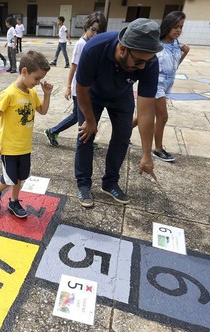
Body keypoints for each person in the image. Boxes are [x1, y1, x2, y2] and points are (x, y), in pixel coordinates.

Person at [74, 18, 162, 208]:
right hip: (92, 96)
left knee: (123, 136)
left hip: (122, 96)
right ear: (122, 49)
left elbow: (146, 111)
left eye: (146, 62)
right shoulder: (94, 48)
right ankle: (83, 184)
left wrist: (147, 153)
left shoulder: (149, 62)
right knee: (85, 135)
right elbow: (81, 89)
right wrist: (90, 121)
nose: (142, 68)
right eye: (138, 62)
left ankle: (110, 182)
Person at [0, 51, 53, 218]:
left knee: (20, 178)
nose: (38, 83)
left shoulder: (31, 93)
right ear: (24, 72)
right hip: (9, 147)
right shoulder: (9, 94)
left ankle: (13, 201)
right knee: (10, 178)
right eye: (36, 78)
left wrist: (47, 95)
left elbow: (43, 111)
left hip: (25, 146)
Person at [133, 11, 189, 163]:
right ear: (167, 26)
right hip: (155, 83)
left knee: (145, 115)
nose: (178, 30)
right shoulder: (156, 45)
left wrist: (184, 53)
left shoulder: (178, 45)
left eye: (181, 27)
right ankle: (157, 149)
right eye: (175, 26)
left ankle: (121, 134)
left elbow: (174, 66)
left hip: (168, 83)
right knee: (162, 116)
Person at [44, 12, 106, 147]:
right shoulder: (81, 44)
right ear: (87, 27)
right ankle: (83, 141)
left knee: (78, 116)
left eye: (98, 32)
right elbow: (73, 67)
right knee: (81, 117)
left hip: (88, 88)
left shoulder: (93, 43)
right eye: (93, 30)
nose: (95, 34)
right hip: (79, 89)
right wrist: (68, 87)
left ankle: (54, 131)